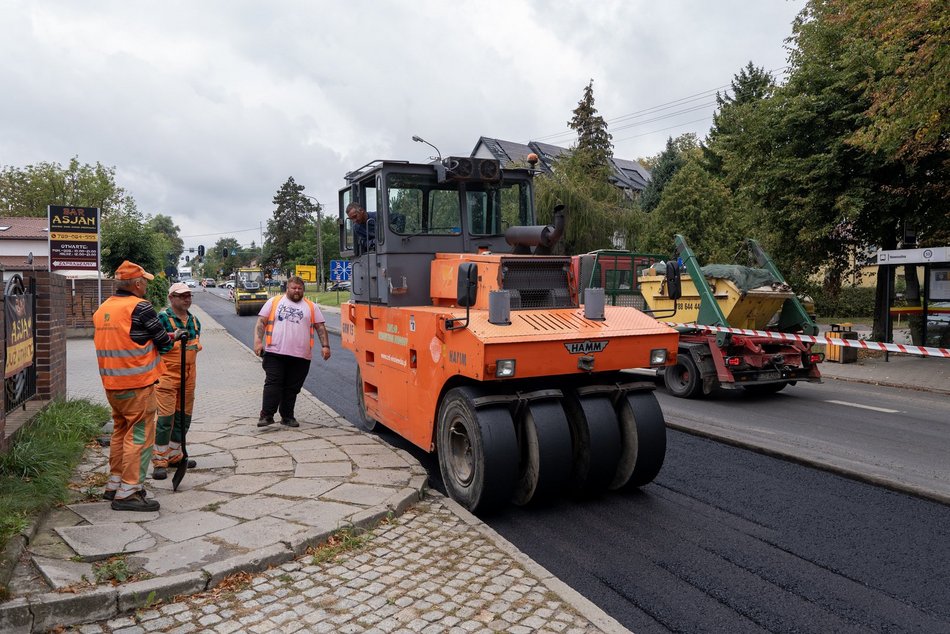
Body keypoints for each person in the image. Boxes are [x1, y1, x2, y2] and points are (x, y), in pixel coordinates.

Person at [93, 261, 180, 512]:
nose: (146, 286)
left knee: (120, 431)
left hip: (112, 385)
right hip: (138, 385)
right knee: (139, 437)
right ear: (137, 283)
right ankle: (129, 492)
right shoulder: (140, 308)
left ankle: (114, 484)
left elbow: (130, 338)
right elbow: (163, 344)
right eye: (145, 282)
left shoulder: (103, 309)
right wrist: (170, 338)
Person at [253, 276, 331, 427]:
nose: (296, 291)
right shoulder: (274, 302)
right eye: (293, 288)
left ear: (303, 290)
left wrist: (325, 346)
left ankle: (287, 417)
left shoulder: (311, 306)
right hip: (275, 352)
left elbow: (320, 327)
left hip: (301, 356)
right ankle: (266, 415)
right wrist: (257, 341)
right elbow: (261, 322)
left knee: (292, 388)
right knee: (273, 384)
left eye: (299, 288)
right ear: (287, 289)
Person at [151, 282, 202, 480]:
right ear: (171, 298)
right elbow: (154, 344)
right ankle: (160, 461)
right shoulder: (162, 319)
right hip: (167, 376)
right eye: (182, 296)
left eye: (189, 295)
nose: (187, 298)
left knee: (184, 417)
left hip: (189, 375)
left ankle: (175, 455)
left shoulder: (195, 321)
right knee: (165, 419)